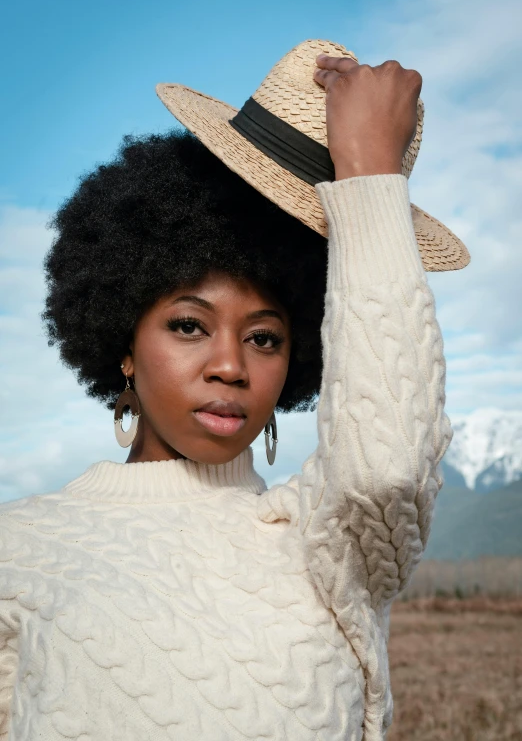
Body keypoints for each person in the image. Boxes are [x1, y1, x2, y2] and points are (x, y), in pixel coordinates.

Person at [0, 40, 469, 741]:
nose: (231, 367)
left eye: (265, 338)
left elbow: (388, 465)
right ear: (124, 343)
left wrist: (369, 179)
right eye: (189, 326)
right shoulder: (16, 547)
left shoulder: (328, 544)